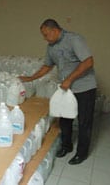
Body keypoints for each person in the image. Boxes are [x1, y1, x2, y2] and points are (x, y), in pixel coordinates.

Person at [19, 19, 97, 165]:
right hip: (66, 89)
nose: (45, 38)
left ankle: (82, 153)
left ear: (55, 30)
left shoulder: (74, 39)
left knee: (84, 121)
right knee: (64, 118)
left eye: (46, 34)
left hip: (84, 88)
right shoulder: (51, 47)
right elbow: (47, 66)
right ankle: (66, 146)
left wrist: (69, 79)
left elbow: (88, 62)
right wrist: (31, 78)